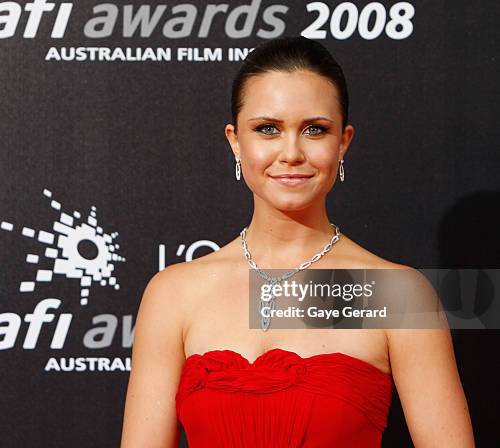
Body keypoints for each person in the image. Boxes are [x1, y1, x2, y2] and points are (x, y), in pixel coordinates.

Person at [120, 36, 474, 447]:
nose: (291, 152)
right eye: (268, 129)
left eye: (315, 130)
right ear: (236, 141)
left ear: (343, 142)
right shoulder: (174, 293)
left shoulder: (395, 294)